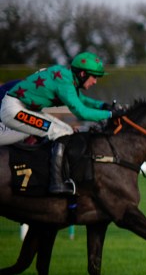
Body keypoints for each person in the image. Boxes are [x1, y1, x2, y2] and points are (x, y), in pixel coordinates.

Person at [0, 52, 125, 195]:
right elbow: (81, 112)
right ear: (83, 74)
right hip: (14, 109)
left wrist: (104, 106)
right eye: (94, 77)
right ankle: (56, 183)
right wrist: (110, 114)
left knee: (67, 130)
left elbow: (82, 100)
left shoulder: (67, 78)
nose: (95, 81)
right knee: (60, 132)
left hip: (21, 108)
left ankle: (53, 175)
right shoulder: (65, 81)